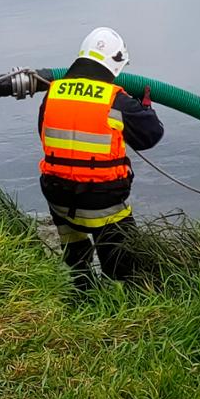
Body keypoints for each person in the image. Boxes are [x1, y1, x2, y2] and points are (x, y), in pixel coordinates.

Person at [37, 27, 164, 289]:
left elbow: (44, 131)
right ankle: (119, 301)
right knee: (126, 271)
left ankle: (82, 289)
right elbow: (151, 136)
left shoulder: (53, 92)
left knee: (76, 262)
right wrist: (144, 106)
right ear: (115, 63)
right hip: (102, 203)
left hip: (58, 197)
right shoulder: (116, 101)